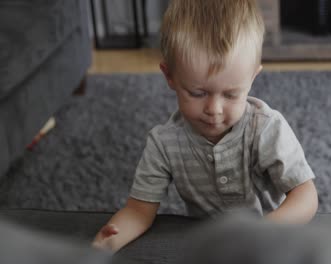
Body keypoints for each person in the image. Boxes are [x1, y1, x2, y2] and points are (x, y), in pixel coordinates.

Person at [92, 0, 318, 252]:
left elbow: (305, 196)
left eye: (231, 94)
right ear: (170, 77)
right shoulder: (164, 143)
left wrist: (263, 233)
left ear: (253, 77)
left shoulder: (265, 127)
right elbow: (138, 209)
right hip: (210, 245)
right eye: (197, 93)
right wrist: (110, 240)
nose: (214, 109)